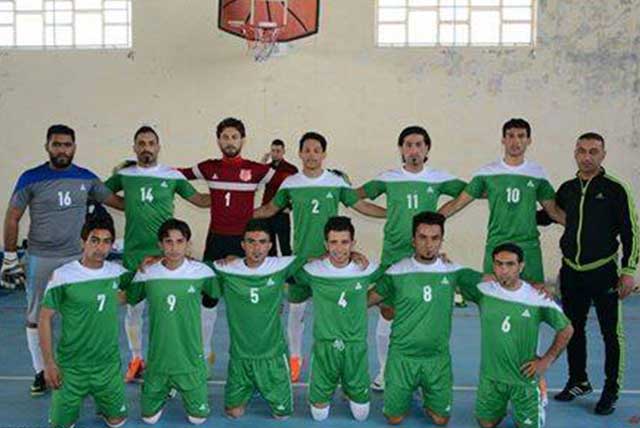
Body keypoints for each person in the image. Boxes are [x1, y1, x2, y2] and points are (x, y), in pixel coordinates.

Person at [254, 131, 386, 382]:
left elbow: (361, 206)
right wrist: (240, 216)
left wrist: (393, 213)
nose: (312, 155)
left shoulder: (336, 183)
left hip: (331, 262)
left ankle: (338, 361)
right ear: (300, 153)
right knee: (296, 311)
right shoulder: (291, 183)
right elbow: (270, 209)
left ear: (324, 154)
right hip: (302, 262)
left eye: (317, 150)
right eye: (307, 150)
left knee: (334, 315)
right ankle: (295, 358)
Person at [1, 124, 123, 396]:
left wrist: (132, 181)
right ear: (47, 146)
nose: (62, 150)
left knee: (78, 315)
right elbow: (12, 216)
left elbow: (119, 203)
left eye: (67, 145)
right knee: (36, 316)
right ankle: (40, 372)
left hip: (76, 259)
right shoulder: (30, 178)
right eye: (56, 144)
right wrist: (9, 256)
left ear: (74, 147)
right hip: (40, 257)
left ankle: (78, 369)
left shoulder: (86, 178)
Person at [356, 125, 467, 391]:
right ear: (401, 149)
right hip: (393, 256)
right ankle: (385, 371)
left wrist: (441, 215)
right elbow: (354, 196)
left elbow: (473, 191)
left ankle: (420, 372)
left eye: (419, 145)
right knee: (388, 311)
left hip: (425, 257)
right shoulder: (388, 178)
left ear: (427, 149)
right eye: (408, 145)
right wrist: (387, 212)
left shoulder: (439, 178)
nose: (413, 150)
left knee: (422, 314)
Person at [539, 132, 638, 415]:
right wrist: (519, 214)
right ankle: (578, 380)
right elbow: (549, 215)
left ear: (603, 155)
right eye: (581, 151)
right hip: (572, 272)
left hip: (603, 272)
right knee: (572, 329)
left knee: (611, 334)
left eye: (593, 151)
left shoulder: (615, 189)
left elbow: (631, 231)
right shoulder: (568, 189)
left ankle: (611, 390)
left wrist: (629, 270)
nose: (586, 157)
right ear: (575, 153)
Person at [105, 126, 210, 382]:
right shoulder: (125, 175)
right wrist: (127, 205)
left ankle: (172, 361)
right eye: (141, 143)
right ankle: (136, 359)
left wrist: (233, 194)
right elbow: (100, 193)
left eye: (151, 143)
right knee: (134, 309)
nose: (146, 148)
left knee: (167, 313)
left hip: (165, 254)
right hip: (134, 255)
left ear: (158, 147)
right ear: (134, 147)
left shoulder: (171, 175)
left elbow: (198, 199)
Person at [368, 211, 489, 425]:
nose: (429, 244)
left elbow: (494, 281)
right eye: (422, 237)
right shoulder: (397, 272)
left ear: (442, 240)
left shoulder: (453, 272)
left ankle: (424, 392)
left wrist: (532, 286)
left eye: (435, 238)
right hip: (402, 357)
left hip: (436, 358)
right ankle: (408, 387)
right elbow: (366, 299)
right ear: (413, 240)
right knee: (394, 418)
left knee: (441, 420)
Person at [179, 117, 275, 371]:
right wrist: (140, 170)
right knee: (209, 298)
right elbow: (177, 174)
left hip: (245, 243)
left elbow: (288, 181)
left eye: (234, 137)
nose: (230, 141)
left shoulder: (257, 170)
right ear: (218, 140)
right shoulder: (208, 167)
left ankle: (251, 356)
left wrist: (266, 210)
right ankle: (203, 353)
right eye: (225, 137)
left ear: (243, 140)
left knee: (246, 300)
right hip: (216, 240)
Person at [439, 118, 565, 283]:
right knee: (494, 296)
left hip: (528, 248)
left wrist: (584, 231)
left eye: (521, 136)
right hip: (497, 246)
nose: (515, 141)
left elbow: (554, 212)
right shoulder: (487, 173)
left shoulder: (537, 173)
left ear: (529, 140)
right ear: (503, 140)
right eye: (510, 136)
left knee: (534, 295)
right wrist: (431, 221)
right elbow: (457, 203)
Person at [465, 243, 574, 428]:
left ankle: (539, 395)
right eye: (499, 264)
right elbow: (453, 278)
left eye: (510, 264)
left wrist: (546, 361)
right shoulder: (483, 290)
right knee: (485, 424)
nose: (504, 270)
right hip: (491, 378)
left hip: (524, 378)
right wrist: (441, 260)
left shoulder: (537, 297)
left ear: (521, 266)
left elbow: (567, 329)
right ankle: (501, 405)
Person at [39, 215, 132, 428]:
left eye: (106, 241)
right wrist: (49, 363)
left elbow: (138, 287)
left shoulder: (117, 273)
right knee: (60, 425)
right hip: (72, 366)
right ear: (83, 242)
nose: (100, 247)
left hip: (107, 365)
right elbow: (44, 318)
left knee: (117, 422)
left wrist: (153, 262)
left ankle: (104, 401)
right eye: (94, 240)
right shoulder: (63, 276)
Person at [125, 219, 218, 425]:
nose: (174, 248)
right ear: (160, 245)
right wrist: (138, 269)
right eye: (168, 242)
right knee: (149, 419)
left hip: (190, 361)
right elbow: (131, 298)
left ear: (188, 244)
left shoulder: (202, 272)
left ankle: (185, 380)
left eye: (179, 241)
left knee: (198, 419)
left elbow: (213, 297)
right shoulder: (147, 272)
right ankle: (165, 386)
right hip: (158, 361)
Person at [290, 216, 381, 421]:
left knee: (361, 416)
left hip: (355, 347)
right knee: (319, 416)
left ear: (353, 243)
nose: (339, 248)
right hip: (325, 347)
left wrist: (439, 259)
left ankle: (350, 386)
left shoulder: (366, 269)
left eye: (345, 242)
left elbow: (394, 277)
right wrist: (310, 258)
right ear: (326, 244)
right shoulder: (313, 270)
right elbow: (285, 269)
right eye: (333, 242)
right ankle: (338, 386)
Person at [213, 219, 304, 419]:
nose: (257, 248)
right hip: (241, 356)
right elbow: (188, 266)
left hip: (272, 356)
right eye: (251, 242)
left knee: (282, 415)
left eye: (262, 242)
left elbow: (316, 259)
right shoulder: (227, 269)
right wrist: (156, 259)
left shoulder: (281, 265)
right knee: (234, 413)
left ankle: (264, 383)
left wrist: (353, 255)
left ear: (270, 245)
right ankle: (253, 384)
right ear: (243, 244)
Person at [260, 139, 298, 256]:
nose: (275, 154)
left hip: (282, 212)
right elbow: (256, 182)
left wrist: (290, 207)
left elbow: (296, 191)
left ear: (283, 151)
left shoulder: (291, 169)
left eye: (278, 151)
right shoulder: (266, 168)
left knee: (285, 247)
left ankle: (288, 268)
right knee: (269, 247)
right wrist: (261, 164)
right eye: (273, 151)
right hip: (266, 212)